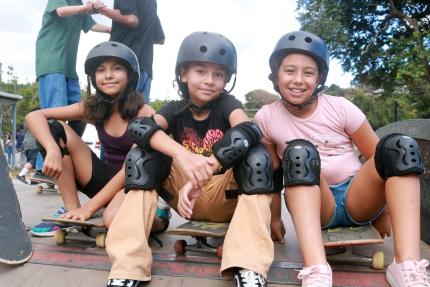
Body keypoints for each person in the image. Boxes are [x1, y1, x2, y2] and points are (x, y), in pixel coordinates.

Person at [254, 30, 429, 287]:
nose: (298, 80)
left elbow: (379, 158)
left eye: (308, 72)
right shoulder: (266, 117)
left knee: (399, 148)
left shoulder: (340, 107)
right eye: (290, 71)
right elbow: (274, 172)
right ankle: (316, 270)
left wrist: (386, 210)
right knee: (299, 152)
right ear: (276, 75)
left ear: (320, 77)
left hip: (357, 197)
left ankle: (407, 266)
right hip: (316, 202)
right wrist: (274, 217)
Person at [103, 31, 278, 287]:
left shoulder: (228, 104)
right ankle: (128, 267)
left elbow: (248, 130)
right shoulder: (174, 109)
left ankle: (249, 266)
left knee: (256, 155)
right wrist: (182, 155)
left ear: (227, 79)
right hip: (184, 198)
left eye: (218, 74)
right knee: (142, 155)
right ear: (183, 74)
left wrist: (208, 167)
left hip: (223, 196)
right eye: (200, 71)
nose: (209, 81)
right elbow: (139, 128)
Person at [26, 41, 155, 237]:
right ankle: (71, 213)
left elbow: (132, 167)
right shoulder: (94, 107)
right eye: (101, 70)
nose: (108, 75)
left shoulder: (144, 113)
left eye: (117, 68)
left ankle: (158, 216)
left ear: (130, 75)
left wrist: (90, 208)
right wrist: (52, 149)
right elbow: (34, 116)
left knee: (120, 222)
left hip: (133, 183)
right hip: (103, 180)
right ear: (94, 78)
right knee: (53, 128)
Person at [33, 0, 111, 181]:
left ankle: (66, 155)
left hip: (69, 69)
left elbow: (93, 25)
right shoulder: (63, 1)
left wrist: (113, 30)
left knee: (83, 113)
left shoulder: (79, 5)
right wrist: (87, 8)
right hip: (51, 63)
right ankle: (42, 166)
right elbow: (61, 11)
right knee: (55, 114)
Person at [98, 0, 165, 104]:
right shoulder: (151, 4)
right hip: (145, 67)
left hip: (122, 64)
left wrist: (102, 10)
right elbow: (160, 39)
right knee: (140, 117)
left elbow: (131, 19)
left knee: (112, 114)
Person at [16, 116, 40, 184]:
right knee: (33, 161)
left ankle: (33, 180)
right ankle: (21, 175)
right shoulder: (39, 121)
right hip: (33, 144)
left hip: (26, 144)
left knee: (32, 162)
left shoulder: (29, 121)